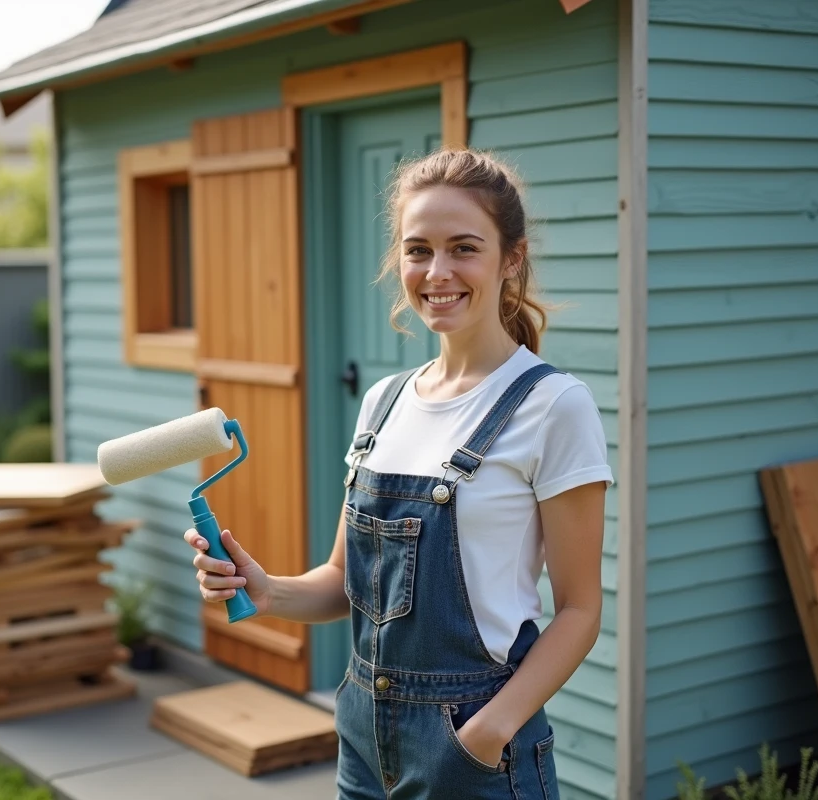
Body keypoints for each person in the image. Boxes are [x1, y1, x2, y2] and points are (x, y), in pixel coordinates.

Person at [184, 147, 613, 799]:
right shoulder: (383, 402)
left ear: (512, 258)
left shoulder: (553, 406)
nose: (437, 272)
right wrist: (267, 589)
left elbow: (580, 610)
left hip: (472, 746)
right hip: (360, 732)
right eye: (418, 250)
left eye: (463, 247)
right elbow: (342, 582)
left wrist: (486, 733)